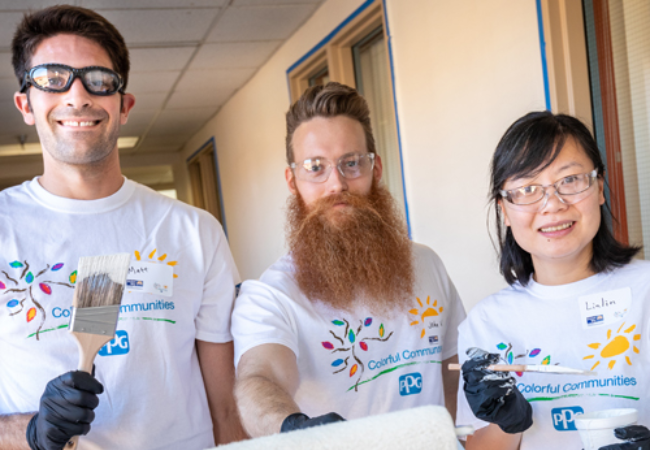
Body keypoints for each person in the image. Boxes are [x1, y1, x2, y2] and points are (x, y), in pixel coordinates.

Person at [0, 6, 245, 449]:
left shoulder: (195, 232)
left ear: (124, 104)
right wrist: (31, 431)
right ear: (25, 104)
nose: (76, 95)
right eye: (52, 78)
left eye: (97, 79)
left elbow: (226, 409)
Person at [231, 82, 466, 437]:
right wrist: (294, 427)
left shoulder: (427, 265)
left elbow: (451, 367)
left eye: (351, 163)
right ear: (293, 181)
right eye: (315, 167)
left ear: (376, 168)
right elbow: (258, 380)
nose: (336, 184)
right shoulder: (271, 296)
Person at [455, 111, 650, 450]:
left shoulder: (645, 291)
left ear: (600, 188)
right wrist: (507, 422)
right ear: (505, 211)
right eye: (528, 188)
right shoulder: (487, 323)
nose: (553, 205)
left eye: (570, 181)